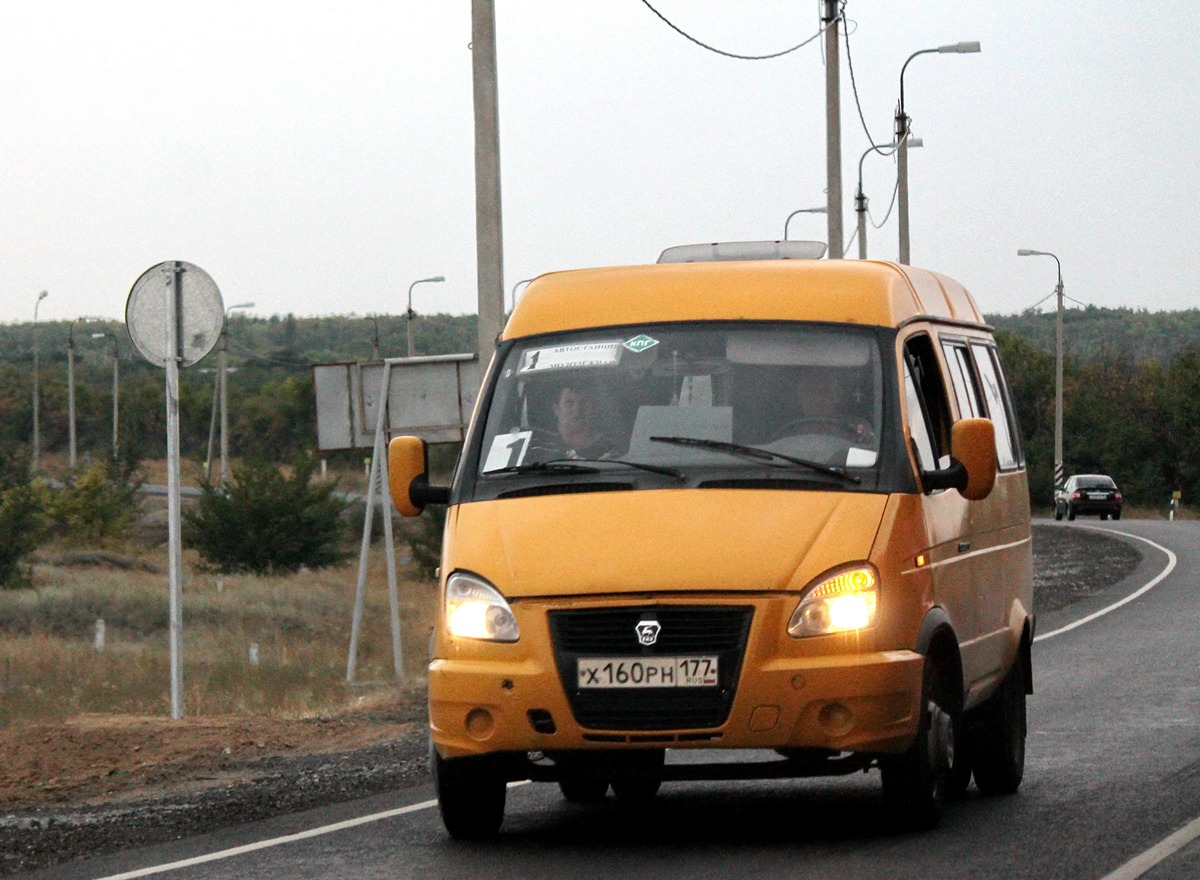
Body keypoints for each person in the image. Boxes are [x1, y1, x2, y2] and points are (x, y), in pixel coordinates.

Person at [547, 381, 618, 458]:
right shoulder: (539, 445)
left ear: (594, 407)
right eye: (569, 403)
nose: (577, 409)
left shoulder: (610, 449)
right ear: (556, 409)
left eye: (583, 402)